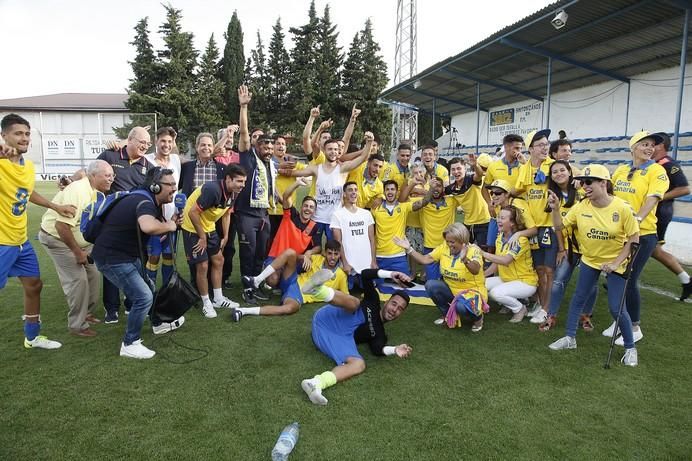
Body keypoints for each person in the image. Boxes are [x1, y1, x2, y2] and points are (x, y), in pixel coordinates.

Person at [546, 164, 640, 366]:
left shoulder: (622, 208)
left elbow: (634, 239)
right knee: (578, 299)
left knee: (617, 309)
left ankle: (631, 347)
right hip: (590, 261)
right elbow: (559, 226)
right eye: (581, 182)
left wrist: (615, 263)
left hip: (616, 264)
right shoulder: (581, 207)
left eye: (588, 182)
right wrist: (554, 209)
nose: (583, 186)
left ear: (603, 183)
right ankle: (570, 338)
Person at [0, 113, 76, 350]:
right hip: (2, 242)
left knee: (34, 285)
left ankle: (32, 337)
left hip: (21, 240)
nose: (24, 138)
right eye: (17, 133)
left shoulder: (28, 166)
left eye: (26, 134)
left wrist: (56, 205)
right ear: (4, 136)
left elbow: (28, 192)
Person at [91, 168, 179, 359]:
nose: (174, 189)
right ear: (155, 187)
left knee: (149, 286)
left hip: (127, 255)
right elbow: (148, 226)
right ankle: (130, 343)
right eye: (170, 185)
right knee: (143, 297)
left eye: (175, 184)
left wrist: (168, 222)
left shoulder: (143, 198)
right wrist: (170, 226)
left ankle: (158, 323)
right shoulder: (144, 202)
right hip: (113, 258)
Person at [300, 268, 413, 406]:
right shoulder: (373, 300)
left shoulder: (380, 334)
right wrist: (391, 274)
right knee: (355, 303)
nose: (395, 309)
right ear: (387, 302)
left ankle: (315, 383)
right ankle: (317, 290)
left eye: (400, 309)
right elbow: (365, 275)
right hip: (327, 318)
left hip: (334, 337)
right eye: (394, 303)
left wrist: (395, 349)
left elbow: (378, 349)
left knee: (359, 364)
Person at [38, 160, 114, 337]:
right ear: (93, 176)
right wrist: (78, 252)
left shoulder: (96, 191)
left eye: (112, 175)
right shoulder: (78, 191)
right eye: (107, 175)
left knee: (93, 274)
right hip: (57, 239)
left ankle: (86, 312)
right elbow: (61, 227)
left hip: (78, 242)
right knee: (78, 280)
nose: (111, 179)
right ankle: (77, 325)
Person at [606, 131, 669, 345]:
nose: (649, 148)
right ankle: (620, 320)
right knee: (617, 277)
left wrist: (638, 218)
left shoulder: (657, 171)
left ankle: (634, 326)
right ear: (633, 147)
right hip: (619, 235)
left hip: (644, 234)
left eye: (652, 145)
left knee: (629, 280)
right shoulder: (622, 170)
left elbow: (652, 199)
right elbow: (609, 194)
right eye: (644, 144)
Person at [96, 126, 155, 324]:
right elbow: (93, 175)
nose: (145, 146)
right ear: (129, 140)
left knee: (137, 263)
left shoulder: (148, 165)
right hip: (112, 223)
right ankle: (111, 309)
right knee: (113, 265)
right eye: (142, 142)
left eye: (148, 144)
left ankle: (132, 303)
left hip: (136, 225)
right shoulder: (110, 156)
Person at [280, 133, 374, 243]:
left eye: (336, 149)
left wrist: (369, 142)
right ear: (324, 151)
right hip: (316, 218)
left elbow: (363, 158)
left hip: (335, 219)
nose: (333, 152)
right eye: (330, 149)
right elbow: (296, 173)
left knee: (334, 250)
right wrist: (280, 169)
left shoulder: (342, 168)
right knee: (313, 249)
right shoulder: (316, 169)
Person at [181, 164, 246, 318]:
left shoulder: (234, 192)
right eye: (239, 181)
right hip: (192, 227)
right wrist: (202, 237)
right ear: (228, 179)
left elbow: (226, 214)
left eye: (244, 182)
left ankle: (218, 298)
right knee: (202, 265)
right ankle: (206, 303)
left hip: (208, 227)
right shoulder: (213, 190)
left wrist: (225, 236)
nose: (242, 185)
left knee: (218, 260)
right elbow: (192, 213)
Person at [395, 223, 487, 332]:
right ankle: (448, 315)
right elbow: (425, 260)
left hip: (472, 292)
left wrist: (465, 259)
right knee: (431, 285)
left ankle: (478, 318)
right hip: (452, 290)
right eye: (447, 241)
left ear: (463, 241)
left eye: (452, 242)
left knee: (460, 307)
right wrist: (409, 249)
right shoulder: (444, 247)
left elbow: (475, 270)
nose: (449, 244)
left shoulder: (473, 250)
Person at [539, 160, 597, 332]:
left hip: (589, 247)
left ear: (570, 171)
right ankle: (551, 316)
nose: (559, 174)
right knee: (558, 281)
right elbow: (558, 227)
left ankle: (585, 316)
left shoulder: (582, 191)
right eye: (555, 172)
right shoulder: (551, 195)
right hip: (570, 247)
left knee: (591, 285)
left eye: (562, 170)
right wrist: (562, 249)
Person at [238, 240, 349, 319]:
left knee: (290, 308)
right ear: (325, 253)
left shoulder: (340, 275)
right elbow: (297, 257)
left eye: (336, 254)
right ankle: (256, 280)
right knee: (290, 252)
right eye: (330, 253)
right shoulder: (317, 259)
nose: (333, 257)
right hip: (292, 280)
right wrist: (305, 256)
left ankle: (244, 311)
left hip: (298, 294)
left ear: (340, 255)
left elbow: (346, 297)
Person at [513, 129, 556, 325]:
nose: (545, 148)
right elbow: (519, 189)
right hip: (534, 227)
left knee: (549, 271)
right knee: (539, 269)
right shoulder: (525, 167)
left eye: (546, 144)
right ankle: (540, 303)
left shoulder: (554, 166)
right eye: (540, 145)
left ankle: (547, 309)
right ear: (530, 149)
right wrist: (501, 193)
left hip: (550, 226)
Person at [235, 85, 278, 281]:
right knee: (248, 253)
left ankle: (256, 282)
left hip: (264, 214)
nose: (268, 150)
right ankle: (247, 287)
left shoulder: (270, 165)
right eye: (264, 146)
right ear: (256, 146)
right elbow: (244, 132)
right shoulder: (248, 157)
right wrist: (244, 107)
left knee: (261, 253)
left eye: (271, 147)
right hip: (246, 214)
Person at [649, 132, 691, 300]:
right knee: (652, 249)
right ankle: (687, 280)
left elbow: (684, 189)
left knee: (643, 245)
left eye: (652, 144)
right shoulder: (654, 164)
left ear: (661, 146)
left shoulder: (668, 164)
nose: (649, 147)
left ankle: (623, 278)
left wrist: (658, 197)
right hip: (654, 212)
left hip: (660, 213)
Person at [481, 206, 538, 323]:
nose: (498, 220)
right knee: (480, 283)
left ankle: (520, 309)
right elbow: (496, 263)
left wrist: (482, 253)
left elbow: (505, 260)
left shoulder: (520, 240)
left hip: (525, 282)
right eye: (498, 217)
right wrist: (482, 275)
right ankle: (508, 304)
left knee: (495, 293)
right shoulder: (500, 237)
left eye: (502, 218)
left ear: (512, 223)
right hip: (507, 279)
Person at [400, 176, 461, 281]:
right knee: (431, 281)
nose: (436, 188)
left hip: (448, 247)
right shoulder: (423, 203)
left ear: (443, 188)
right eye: (433, 186)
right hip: (430, 249)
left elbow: (464, 191)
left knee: (451, 280)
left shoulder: (451, 201)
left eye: (439, 186)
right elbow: (401, 200)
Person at [144, 127, 182, 286]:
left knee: (169, 256)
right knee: (153, 257)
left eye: (170, 141)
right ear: (156, 142)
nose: (166, 144)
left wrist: (175, 216)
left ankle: (167, 293)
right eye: (163, 141)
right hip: (154, 219)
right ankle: (149, 295)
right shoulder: (146, 160)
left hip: (173, 219)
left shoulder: (176, 159)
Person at [371, 180, 431, 276]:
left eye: (392, 189)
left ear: (397, 192)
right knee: (378, 287)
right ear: (384, 192)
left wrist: (431, 189)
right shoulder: (375, 208)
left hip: (398, 256)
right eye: (387, 189)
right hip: (380, 256)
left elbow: (423, 202)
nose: (390, 192)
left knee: (404, 285)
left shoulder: (404, 207)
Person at [330, 181, 377, 290]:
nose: (353, 192)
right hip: (349, 266)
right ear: (344, 194)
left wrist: (373, 261)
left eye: (355, 190)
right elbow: (338, 242)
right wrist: (345, 263)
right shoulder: (337, 215)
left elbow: (372, 240)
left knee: (368, 289)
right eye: (350, 190)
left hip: (366, 264)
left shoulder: (366, 214)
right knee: (349, 289)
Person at [445, 157, 491, 248]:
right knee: (464, 250)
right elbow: (440, 193)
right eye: (453, 169)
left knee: (484, 252)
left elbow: (479, 174)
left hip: (484, 222)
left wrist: (475, 165)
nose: (456, 172)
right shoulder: (451, 188)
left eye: (459, 168)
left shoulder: (471, 180)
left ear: (465, 169)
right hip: (468, 224)